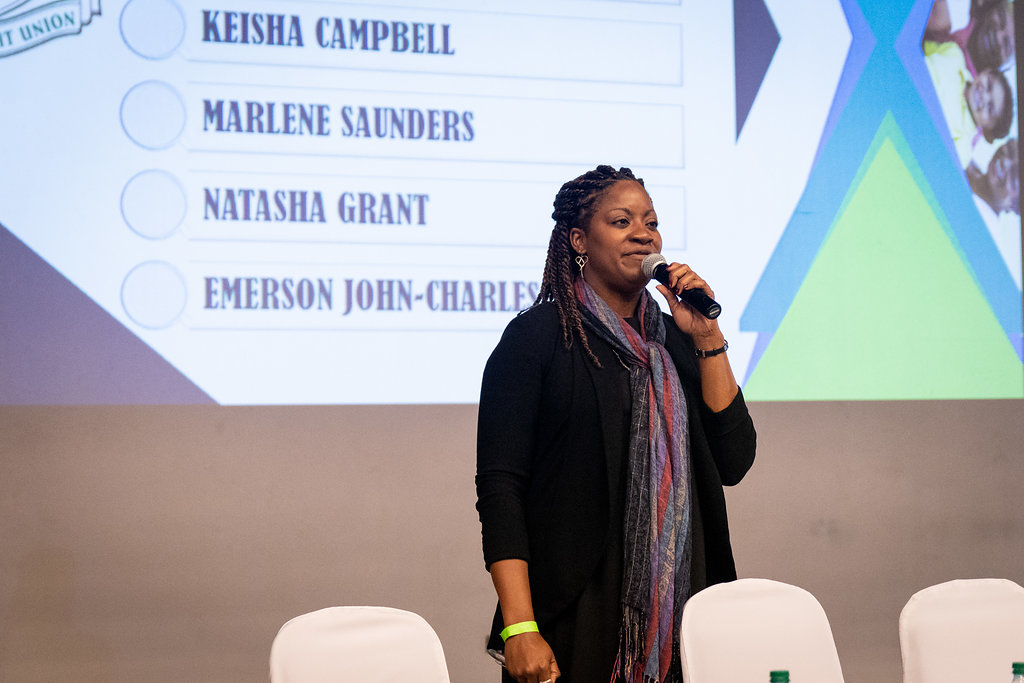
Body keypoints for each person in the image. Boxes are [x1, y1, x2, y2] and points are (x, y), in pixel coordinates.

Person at [475, 165, 756, 683]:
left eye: (651, 222)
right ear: (579, 241)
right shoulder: (537, 337)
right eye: (622, 221)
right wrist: (520, 627)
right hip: (578, 612)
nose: (643, 234)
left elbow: (734, 461)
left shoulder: (677, 340)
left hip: (683, 612)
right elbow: (500, 489)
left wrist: (707, 337)